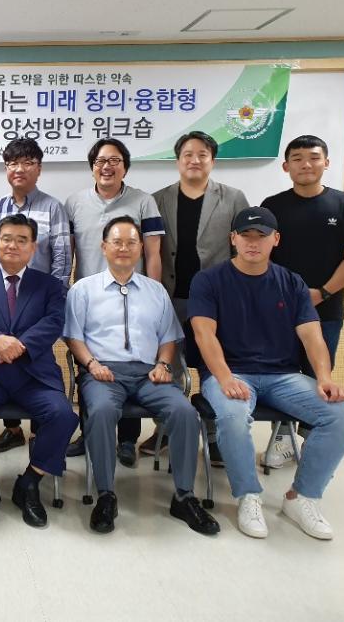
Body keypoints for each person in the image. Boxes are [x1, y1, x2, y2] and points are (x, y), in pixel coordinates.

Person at [188, 207, 344, 540]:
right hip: (231, 373)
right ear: (233, 239)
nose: (253, 243)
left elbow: (312, 335)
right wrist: (224, 377)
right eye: (246, 236)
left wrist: (324, 377)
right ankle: (248, 496)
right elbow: (204, 334)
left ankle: (302, 497)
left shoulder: (291, 283)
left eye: (261, 236)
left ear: (275, 239)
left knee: (342, 415)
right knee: (233, 415)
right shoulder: (209, 280)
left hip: (282, 376)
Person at [64, 216, 219, 535]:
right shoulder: (83, 290)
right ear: (103, 247)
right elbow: (73, 337)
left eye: (131, 242)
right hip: (103, 372)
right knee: (101, 411)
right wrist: (91, 364)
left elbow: (168, 338)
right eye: (117, 242)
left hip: (150, 373)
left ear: (140, 249)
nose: (124, 248)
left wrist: (164, 365)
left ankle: (184, 496)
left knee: (184, 412)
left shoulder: (155, 291)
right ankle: (106, 495)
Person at [0, 214, 79, 528]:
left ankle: (30, 482)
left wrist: (19, 346)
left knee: (63, 415)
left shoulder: (49, 285)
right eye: (7, 238)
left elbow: (53, 322)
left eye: (22, 240)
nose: (13, 245)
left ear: (33, 247)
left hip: (33, 375)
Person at [260, 134, 344, 468]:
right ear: (286, 166)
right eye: (297, 158)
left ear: (326, 162)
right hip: (278, 309)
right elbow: (261, 254)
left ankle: (312, 440)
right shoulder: (272, 206)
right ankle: (282, 438)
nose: (306, 164)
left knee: (317, 375)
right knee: (281, 373)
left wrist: (322, 292)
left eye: (313, 157)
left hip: (326, 308)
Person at [148, 131, 248, 462]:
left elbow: (243, 248)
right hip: (170, 296)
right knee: (169, 365)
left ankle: (215, 435)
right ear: (177, 160)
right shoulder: (158, 199)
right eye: (188, 154)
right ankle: (166, 429)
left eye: (202, 154)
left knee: (212, 365)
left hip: (217, 300)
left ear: (212, 160)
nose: (194, 160)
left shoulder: (233, 198)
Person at [64, 138, 165, 464]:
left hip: (132, 298)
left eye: (114, 161)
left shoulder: (143, 201)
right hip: (89, 300)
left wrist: (154, 295)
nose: (107, 167)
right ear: (92, 166)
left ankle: (127, 439)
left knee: (131, 361)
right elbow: (69, 253)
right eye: (100, 161)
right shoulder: (75, 202)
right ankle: (88, 432)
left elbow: (153, 254)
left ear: (125, 167)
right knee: (89, 366)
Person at [0, 138, 71, 453]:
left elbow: (62, 258)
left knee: (36, 360)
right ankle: (13, 429)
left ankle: (40, 431)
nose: (19, 169)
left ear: (39, 168)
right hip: (3, 300)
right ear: (6, 168)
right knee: (5, 358)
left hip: (39, 302)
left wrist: (54, 301)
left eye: (27, 162)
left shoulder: (53, 207)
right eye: (13, 163)